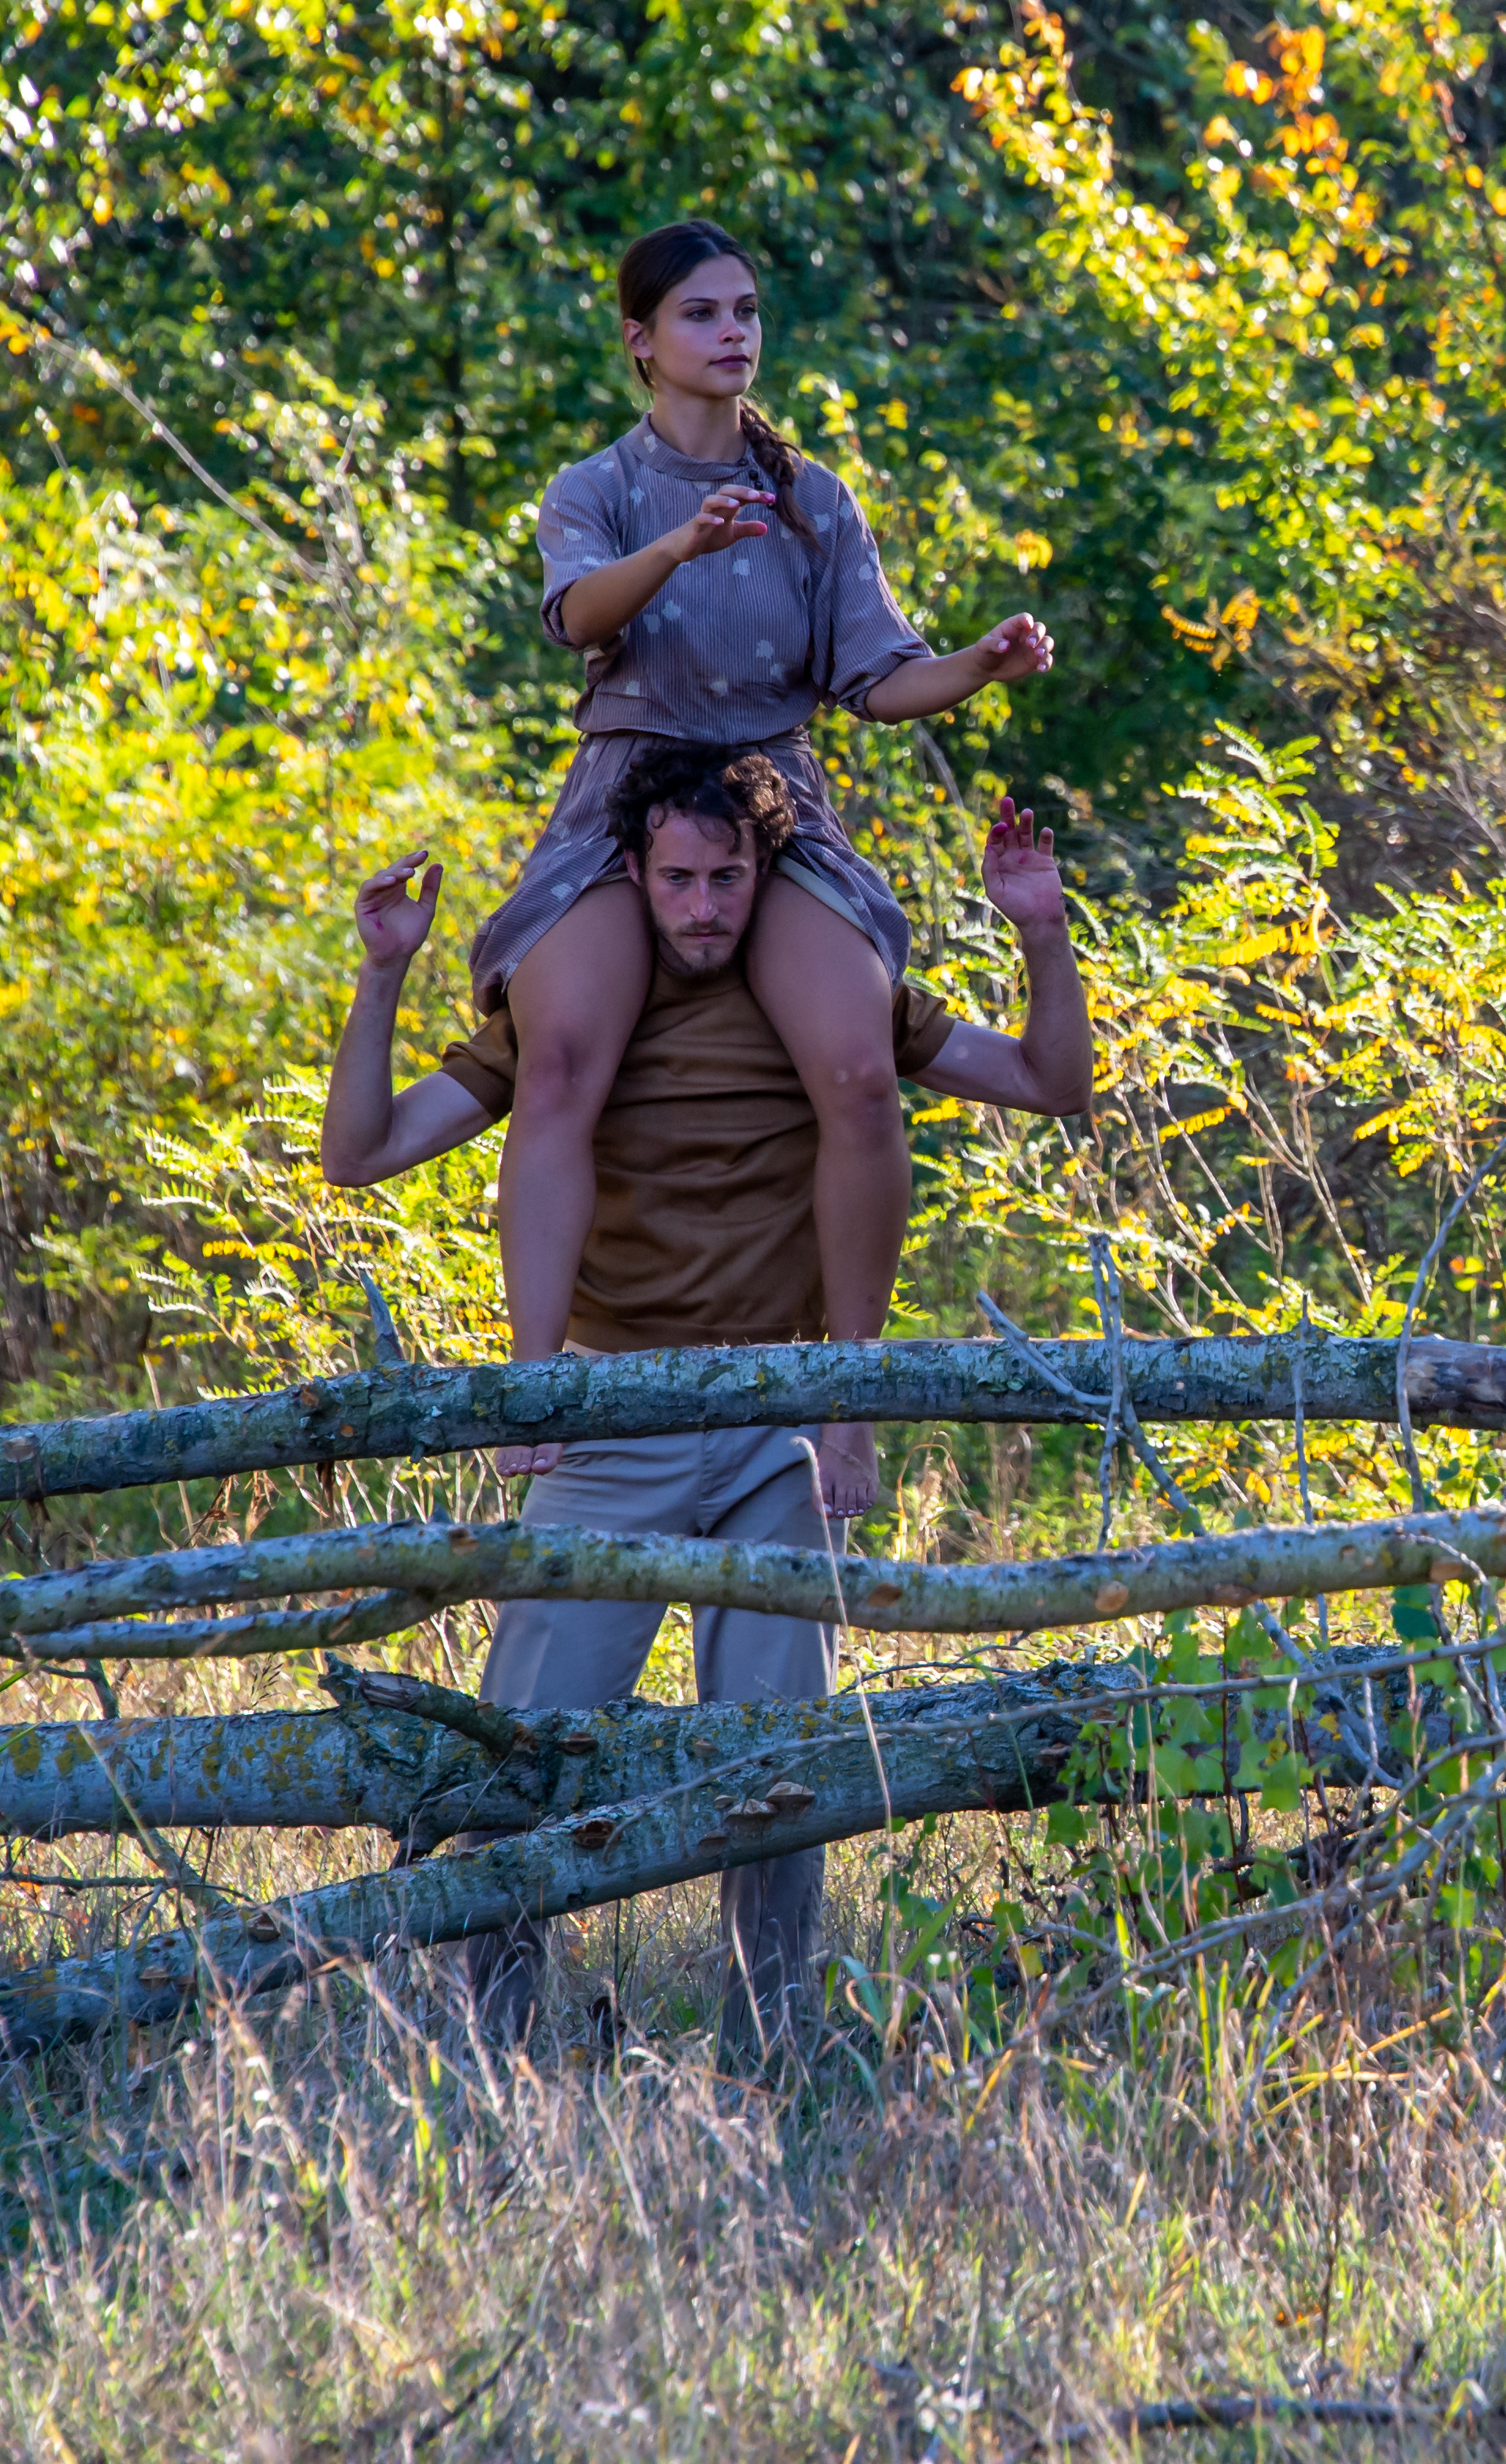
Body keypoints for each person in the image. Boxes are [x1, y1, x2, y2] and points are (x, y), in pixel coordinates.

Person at [322, 743, 1093, 2054]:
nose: (702, 908)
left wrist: (1041, 928)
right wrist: (383, 965)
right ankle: (497, 2043)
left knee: (774, 1762)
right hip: (612, 1415)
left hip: (780, 1421)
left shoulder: (833, 1003)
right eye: (676, 879)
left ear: (763, 875)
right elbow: (363, 1152)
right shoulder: (573, 1013)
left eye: (726, 878)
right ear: (633, 874)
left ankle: (771, 2043)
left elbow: (1052, 1085)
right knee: (526, 1749)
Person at [469, 216, 1058, 1448]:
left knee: (855, 1064)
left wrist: (979, 666)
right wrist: (679, 543)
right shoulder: (600, 487)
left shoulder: (814, 499)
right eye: (701, 315)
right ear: (642, 341)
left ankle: (846, 1397)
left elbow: (879, 677)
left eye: (744, 313)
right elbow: (578, 618)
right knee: (560, 1057)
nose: (731, 334)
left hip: (769, 795)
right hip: (627, 787)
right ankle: (529, 1398)